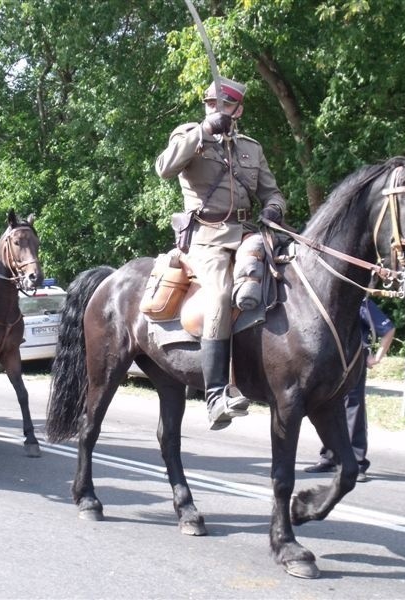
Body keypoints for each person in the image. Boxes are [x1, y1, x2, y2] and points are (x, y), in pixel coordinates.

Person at [155, 76, 287, 431]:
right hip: (206, 238)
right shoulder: (189, 136)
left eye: (224, 105)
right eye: (211, 103)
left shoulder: (250, 148)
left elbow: (272, 193)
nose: (217, 109)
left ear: (238, 109)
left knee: (280, 281)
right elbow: (164, 167)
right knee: (219, 295)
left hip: (246, 234)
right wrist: (204, 130)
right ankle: (215, 395)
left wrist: (273, 209)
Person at [305, 297, 395, 482]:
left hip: (353, 359)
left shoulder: (360, 303)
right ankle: (330, 457)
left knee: (353, 408)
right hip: (331, 359)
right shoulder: (327, 300)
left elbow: (388, 329)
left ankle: (358, 463)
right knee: (326, 408)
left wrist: (376, 358)